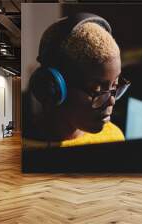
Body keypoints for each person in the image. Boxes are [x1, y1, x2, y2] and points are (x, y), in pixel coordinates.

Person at [25, 14, 130, 148]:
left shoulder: (114, 138)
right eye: (96, 89)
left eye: (115, 85)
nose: (111, 101)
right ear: (54, 87)